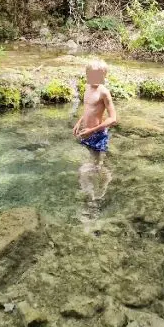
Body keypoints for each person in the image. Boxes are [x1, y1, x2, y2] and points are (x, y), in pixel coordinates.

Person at [74, 60, 118, 218]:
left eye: (98, 75)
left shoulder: (104, 92)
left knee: (91, 167)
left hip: (97, 135)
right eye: (91, 75)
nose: (94, 78)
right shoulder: (86, 87)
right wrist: (79, 123)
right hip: (86, 133)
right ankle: (90, 194)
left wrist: (92, 130)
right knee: (91, 163)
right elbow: (88, 109)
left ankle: (95, 196)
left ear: (104, 76)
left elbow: (113, 119)